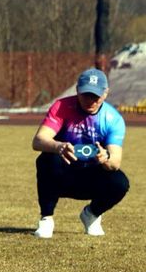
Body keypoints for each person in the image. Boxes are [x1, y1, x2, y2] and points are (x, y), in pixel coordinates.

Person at [31, 68, 129, 238]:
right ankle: (46, 218)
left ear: (106, 94)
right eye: (86, 95)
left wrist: (105, 159)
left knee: (120, 182)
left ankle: (91, 214)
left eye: (96, 96)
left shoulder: (113, 119)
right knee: (47, 159)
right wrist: (58, 147)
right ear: (77, 90)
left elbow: (115, 162)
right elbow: (38, 140)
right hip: (63, 173)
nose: (90, 100)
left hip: (92, 176)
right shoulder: (62, 107)